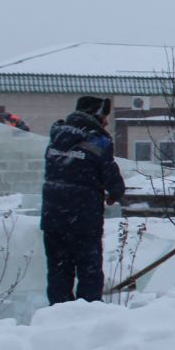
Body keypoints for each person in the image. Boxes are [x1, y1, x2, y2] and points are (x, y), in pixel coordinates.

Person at [42, 95, 125, 304]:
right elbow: (110, 175)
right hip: (83, 218)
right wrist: (116, 192)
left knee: (59, 271)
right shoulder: (98, 141)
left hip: (53, 216)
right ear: (95, 115)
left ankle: (57, 316)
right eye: (104, 116)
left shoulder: (56, 137)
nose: (106, 121)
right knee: (89, 272)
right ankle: (87, 318)